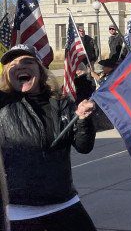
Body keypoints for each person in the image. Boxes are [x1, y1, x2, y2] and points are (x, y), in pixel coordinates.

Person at [0, 44, 97, 230]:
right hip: (19, 212)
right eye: (13, 64)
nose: (20, 66)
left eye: (28, 61)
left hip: (65, 203)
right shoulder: (3, 103)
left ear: (39, 69)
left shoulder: (61, 103)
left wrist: (83, 120)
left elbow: (84, 147)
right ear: (6, 73)